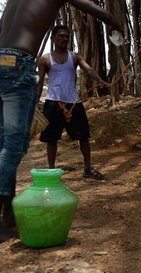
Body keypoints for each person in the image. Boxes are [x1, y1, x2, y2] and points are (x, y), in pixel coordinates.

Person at [0, 0, 123, 242]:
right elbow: (97, 11)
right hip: (19, 64)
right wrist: (116, 23)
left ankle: (7, 216)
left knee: (7, 143)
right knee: (15, 147)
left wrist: (7, 63)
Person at [37, 24, 107, 180]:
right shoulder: (44, 59)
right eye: (61, 36)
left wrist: (100, 80)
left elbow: (88, 69)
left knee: (84, 137)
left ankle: (88, 168)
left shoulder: (75, 57)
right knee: (51, 139)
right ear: (53, 38)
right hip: (53, 103)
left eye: (67, 36)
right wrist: (35, 103)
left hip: (74, 103)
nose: (64, 39)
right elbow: (40, 82)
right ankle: (51, 172)